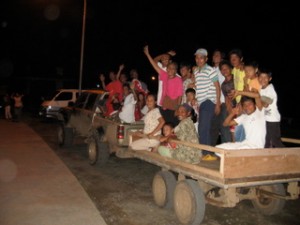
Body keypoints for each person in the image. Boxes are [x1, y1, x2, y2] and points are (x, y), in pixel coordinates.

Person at [193, 48, 221, 161]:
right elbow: (199, 87)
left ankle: (207, 152)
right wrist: (195, 98)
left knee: (203, 128)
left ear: (206, 59)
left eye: (201, 57)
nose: (199, 60)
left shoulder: (210, 70)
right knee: (202, 128)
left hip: (209, 101)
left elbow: (217, 86)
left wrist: (218, 103)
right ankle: (206, 152)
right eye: (197, 57)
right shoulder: (196, 71)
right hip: (202, 103)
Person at [144, 45, 183, 126]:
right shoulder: (164, 75)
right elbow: (154, 64)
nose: (170, 70)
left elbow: (180, 95)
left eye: (172, 68)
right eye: (169, 68)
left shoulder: (178, 78)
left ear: (175, 70)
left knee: (173, 125)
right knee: (164, 125)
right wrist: (148, 54)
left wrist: (177, 108)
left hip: (173, 106)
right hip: (163, 104)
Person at [258, 68, 285, 148]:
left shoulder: (270, 88)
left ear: (270, 79)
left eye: (265, 77)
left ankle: (290, 156)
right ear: (258, 78)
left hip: (273, 119)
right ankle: (267, 158)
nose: (263, 79)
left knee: (275, 141)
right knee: (266, 141)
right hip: (266, 119)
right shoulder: (260, 89)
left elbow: (268, 102)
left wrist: (257, 97)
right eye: (261, 77)